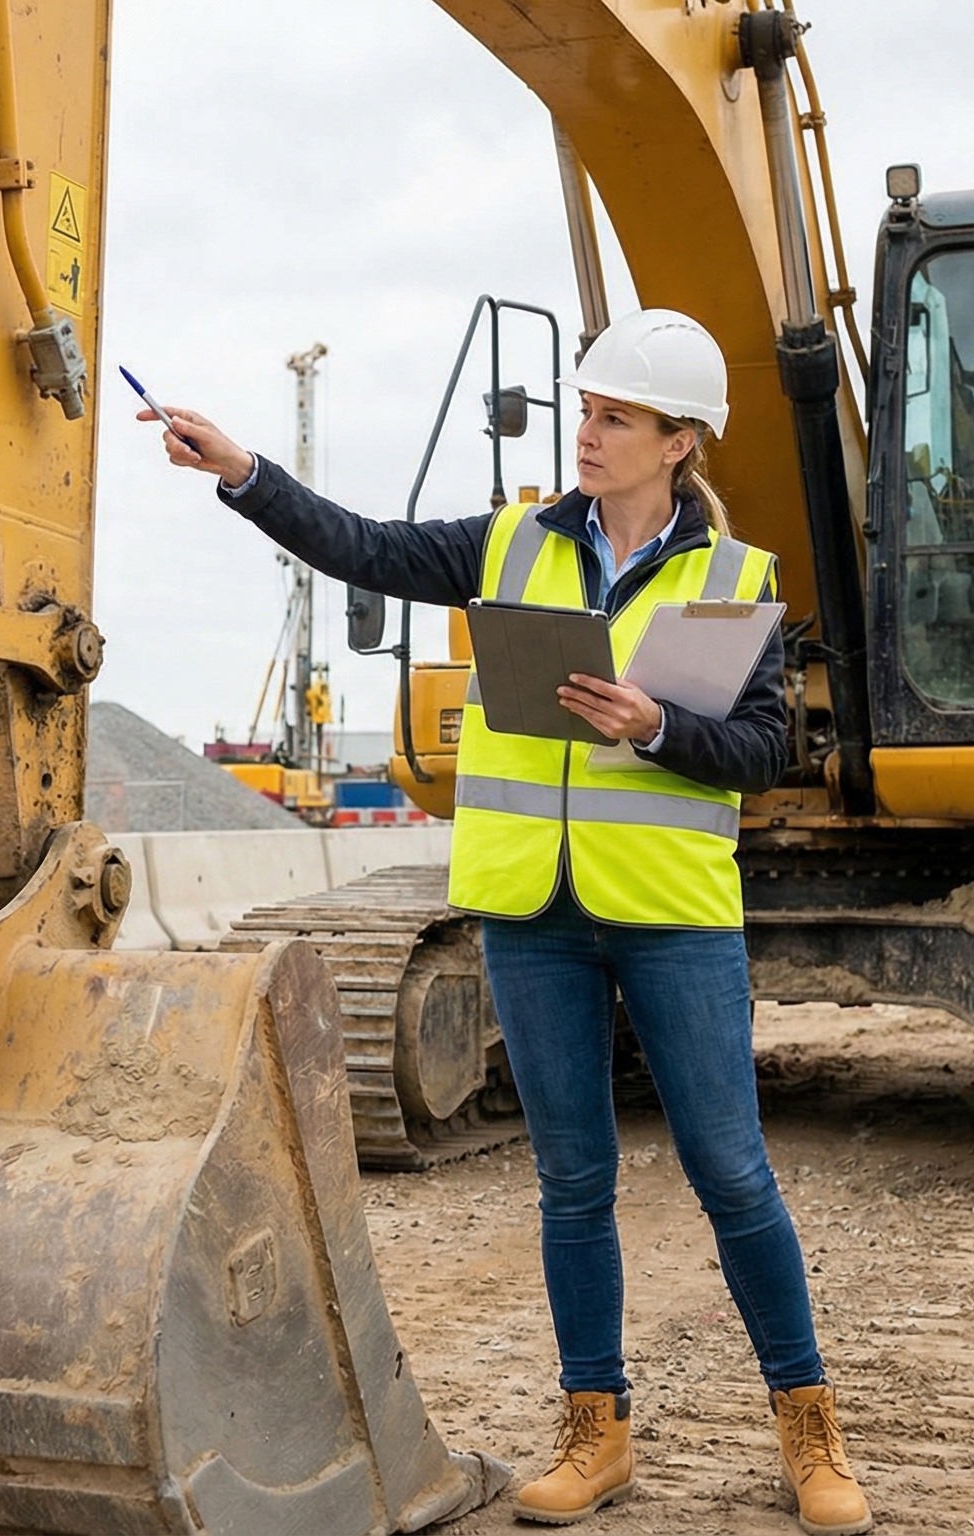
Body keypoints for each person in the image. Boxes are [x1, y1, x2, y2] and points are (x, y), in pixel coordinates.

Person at [144, 309, 872, 1534]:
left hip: (672, 917)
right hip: (531, 911)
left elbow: (756, 753)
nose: (583, 433)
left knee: (733, 1176)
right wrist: (246, 475)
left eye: (613, 418)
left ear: (677, 443)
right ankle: (596, 1430)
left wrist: (651, 726)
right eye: (583, 411)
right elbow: (364, 547)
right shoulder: (512, 544)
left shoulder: (730, 580)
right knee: (570, 1181)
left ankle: (809, 1430)